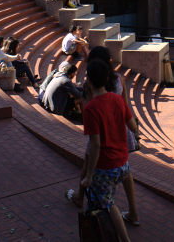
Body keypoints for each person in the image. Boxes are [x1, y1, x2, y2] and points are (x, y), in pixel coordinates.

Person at [67, 47, 140, 225]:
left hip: (102, 132)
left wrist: (86, 95)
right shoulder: (118, 80)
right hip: (121, 131)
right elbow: (127, 106)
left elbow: (91, 114)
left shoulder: (94, 90)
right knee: (125, 169)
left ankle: (80, 195)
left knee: (90, 158)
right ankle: (133, 211)